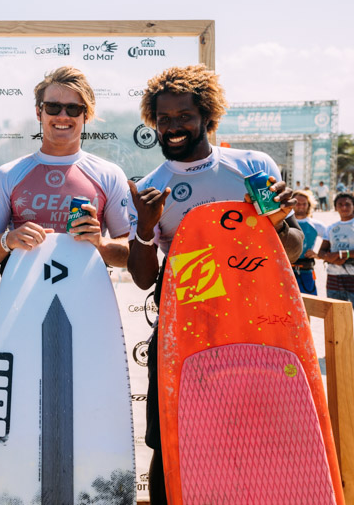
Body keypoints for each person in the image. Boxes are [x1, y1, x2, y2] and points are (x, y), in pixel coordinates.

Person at [126, 65, 303, 504]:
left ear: (206, 115)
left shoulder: (251, 166)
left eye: (183, 115)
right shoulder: (152, 187)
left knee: (259, 440)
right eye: (163, 119)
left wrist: (277, 224)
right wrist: (146, 229)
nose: (173, 126)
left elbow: (295, 247)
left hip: (256, 326)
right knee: (170, 439)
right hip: (184, 330)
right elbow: (144, 277)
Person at [0, 66, 130, 268]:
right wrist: (8, 240)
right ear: (39, 112)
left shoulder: (109, 175)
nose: (63, 116)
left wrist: (101, 243)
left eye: (73, 109)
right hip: (22, 294)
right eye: (53, 107)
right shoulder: (8, 174)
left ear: (85, 115)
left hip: (87, 294)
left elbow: (132, 254)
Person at [318, 192, 354, 307]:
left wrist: (343, 254)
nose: (344, 207)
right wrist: (330, 258)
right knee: (336, 315)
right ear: (335, 207)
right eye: (340, 204)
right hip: (334, 277)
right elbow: (321, 252)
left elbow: (341, 254)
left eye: (347, 204)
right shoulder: (331, 228)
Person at [293, 189, 326, 294]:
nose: (301, 206)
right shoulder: (282, 223)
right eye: (297, 203)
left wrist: (317, 255)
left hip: (307, 272)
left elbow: (330, 239)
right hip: (286, 272)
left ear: (309, 205)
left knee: (309, 307)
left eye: (304, 204)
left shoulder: (316, 225)